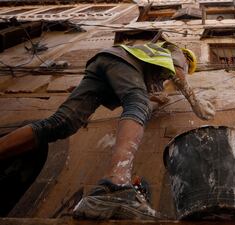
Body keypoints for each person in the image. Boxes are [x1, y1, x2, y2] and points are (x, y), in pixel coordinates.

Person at [0, 41, 215, 219]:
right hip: (120, 62)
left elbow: (137, 93)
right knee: (137, 103)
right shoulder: (175, 50)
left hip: (103, 63)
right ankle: (116, 183)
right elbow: (175, 74)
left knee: (62, 123)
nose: (170, 81)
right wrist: (194, 101)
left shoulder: (149, 64)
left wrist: (153, 100)